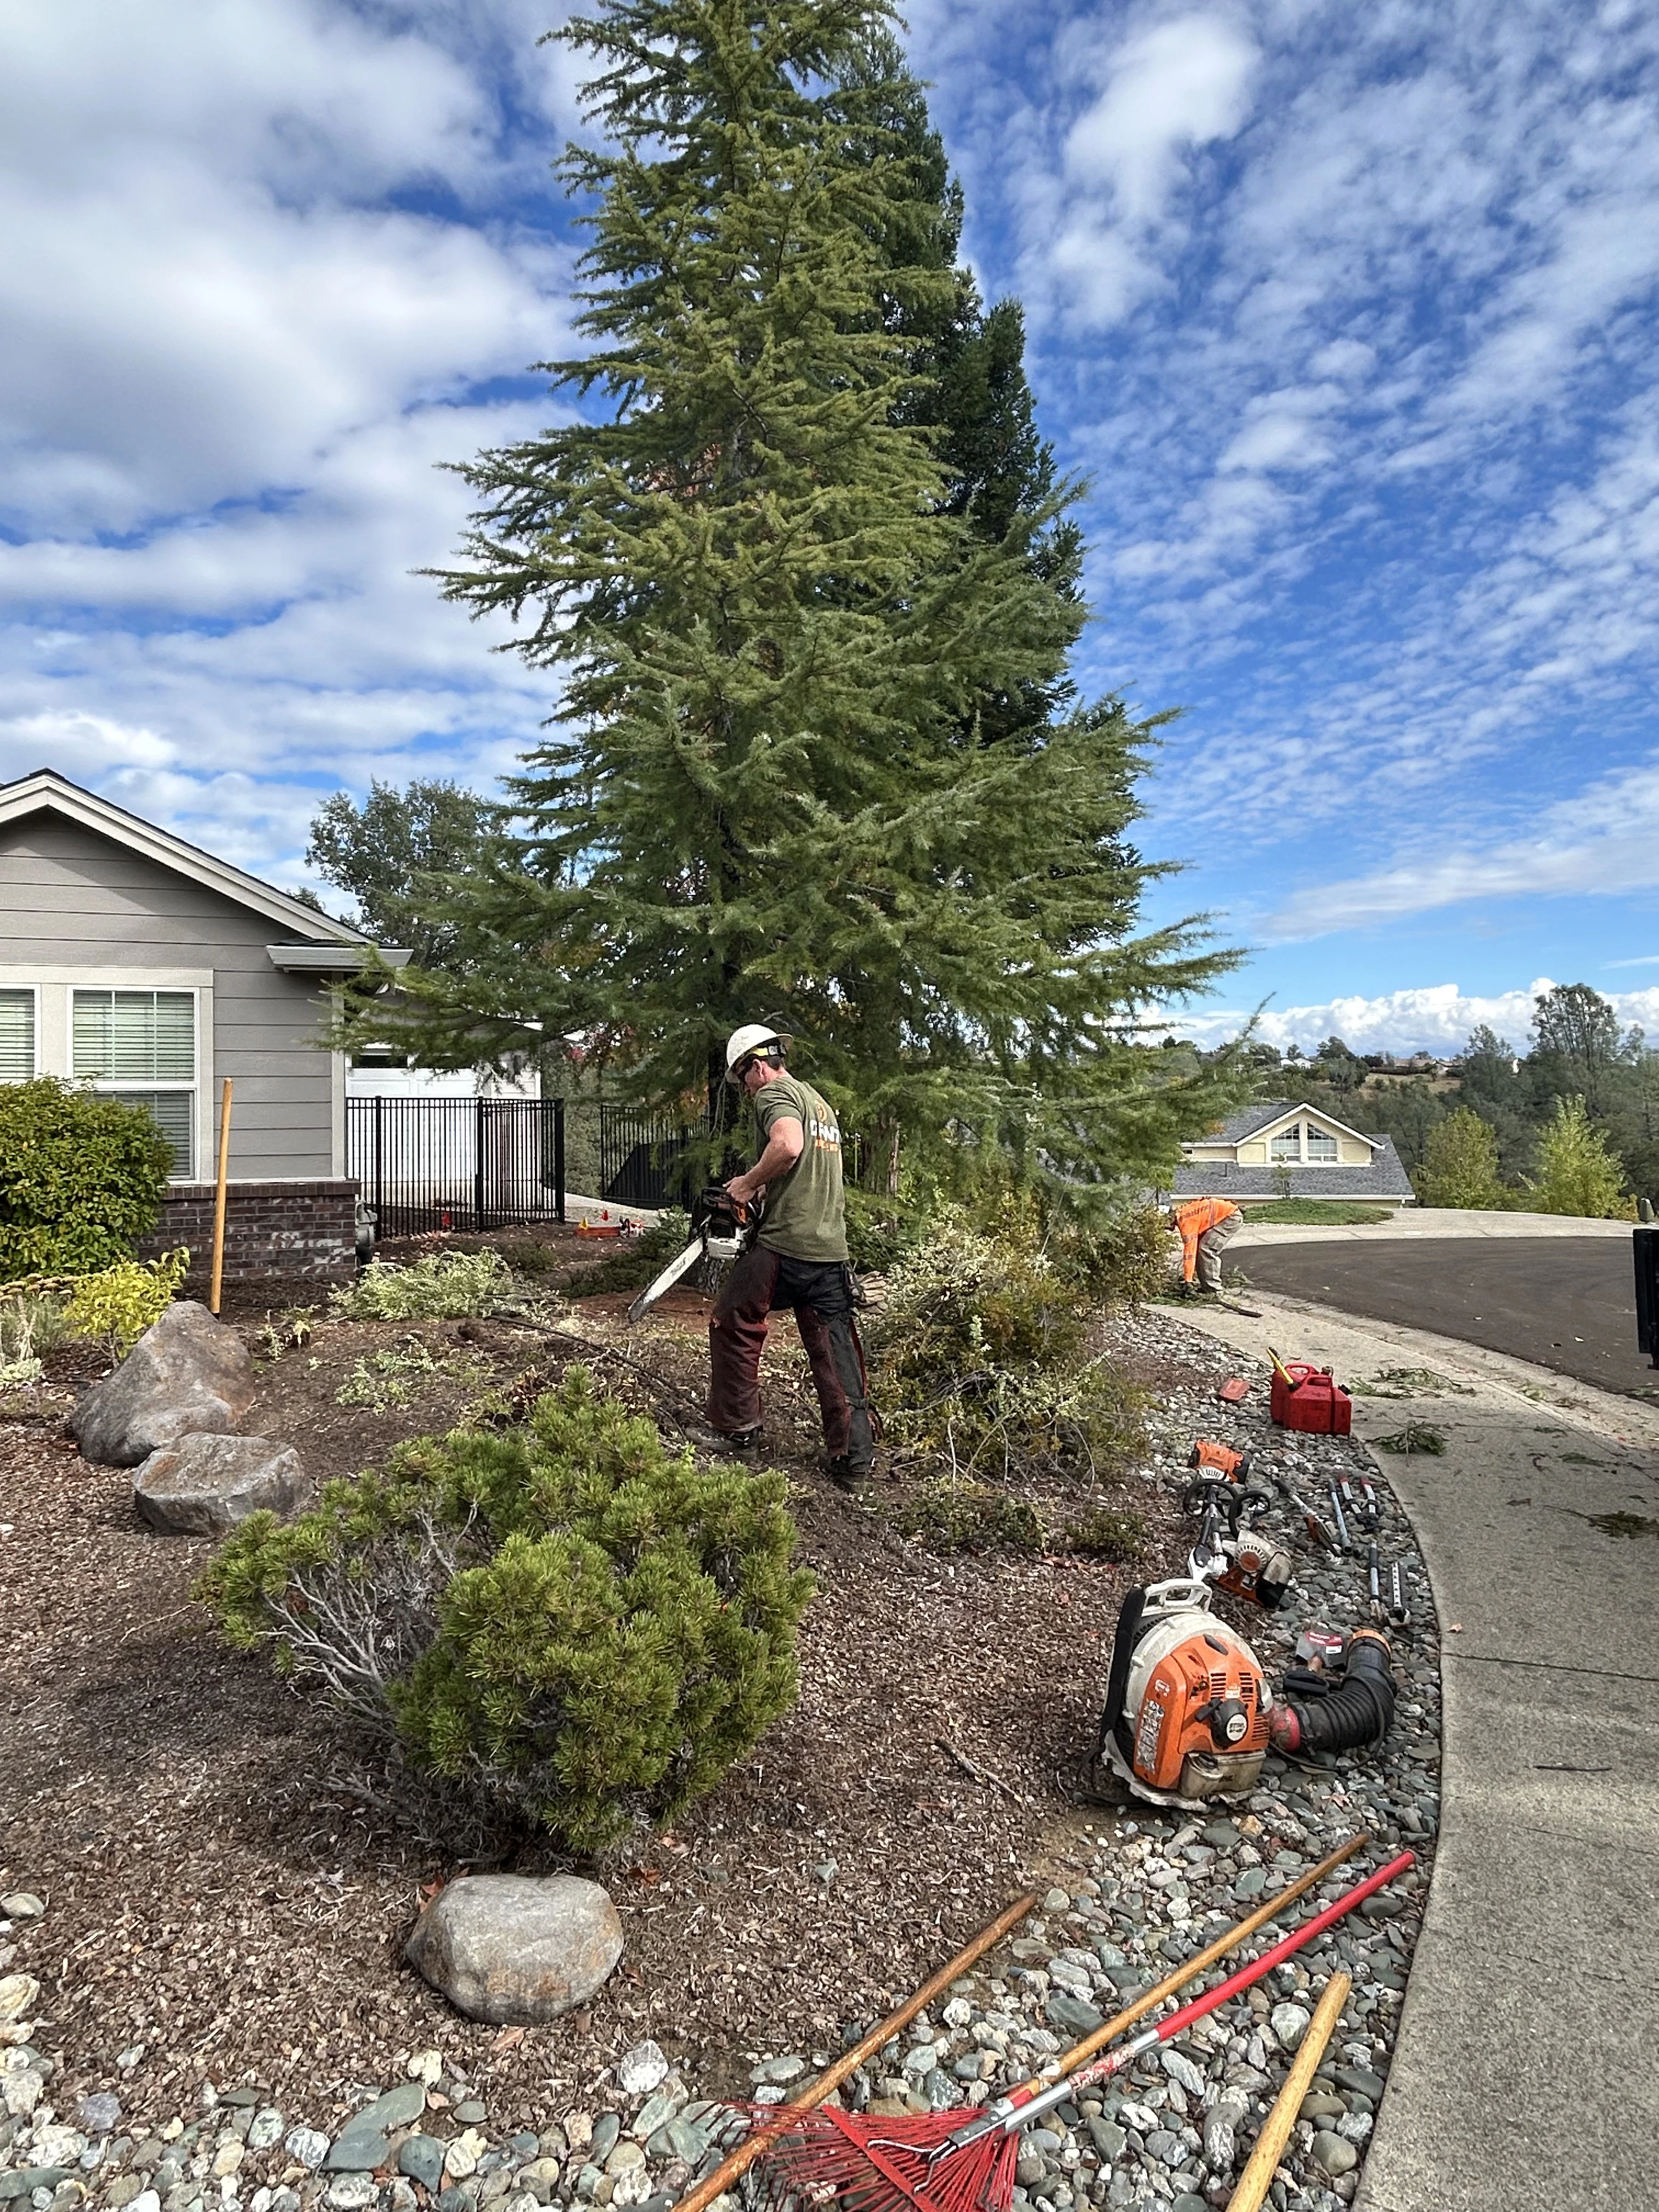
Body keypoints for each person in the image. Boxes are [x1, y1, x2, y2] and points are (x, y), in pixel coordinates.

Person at [706, 1024, 874, 1487]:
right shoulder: (817, 1101)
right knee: (832, 1346)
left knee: (734, 1320)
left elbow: (787, 1146)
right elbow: (802, 1166)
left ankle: (738, 1431)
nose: (745, 1089)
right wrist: (761, 1184)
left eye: (744, 1078)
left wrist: (742, 1184)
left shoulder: (773, 1096)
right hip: (829, 1248)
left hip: (787, 1244)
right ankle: (853, 1458)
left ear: (757, 1066)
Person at [1169, 1195, 1243, 1295]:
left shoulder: (1186, 1222)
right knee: (1201, 1248)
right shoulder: (1182, 1213)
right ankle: (1206, 1286)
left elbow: (1190, 1254)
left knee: (1206, 1248)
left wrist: (1188, 1281)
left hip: (1231, 1217)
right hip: (1226, 1213)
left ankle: (1214, 1289)